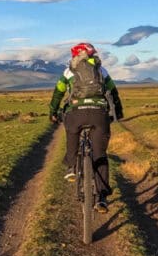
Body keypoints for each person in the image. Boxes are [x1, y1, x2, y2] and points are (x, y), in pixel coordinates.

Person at [49, 42, 123, 212]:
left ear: (75, 55)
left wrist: (53, 111)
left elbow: (58, 92)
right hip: (99, 113)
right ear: (92, 54)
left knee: (72, 133)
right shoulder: (101, 70)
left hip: (76, 113)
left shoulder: (68, 71)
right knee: (100, 154)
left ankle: (72, 166)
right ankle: (102, 198)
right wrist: (118, 111)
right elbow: (113, 92)